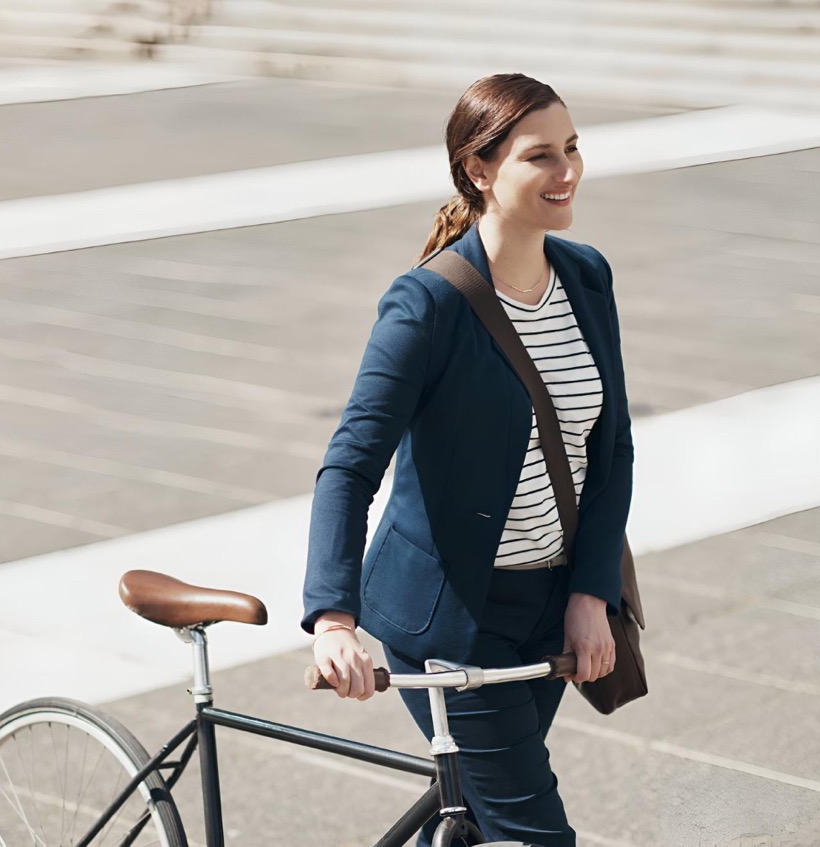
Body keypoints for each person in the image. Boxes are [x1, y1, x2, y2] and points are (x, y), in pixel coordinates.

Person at [302, 73, 633, 846]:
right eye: (540, 156)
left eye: (572, 148)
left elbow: (610, 445)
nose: (567, 171)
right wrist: (332, 618)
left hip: (551, 607)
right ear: (478, 170)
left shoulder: (585, 275)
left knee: (480, 816)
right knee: (532, 831)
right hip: (453, 618)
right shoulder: (427, 304)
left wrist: (591, 593)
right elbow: (350, 464)